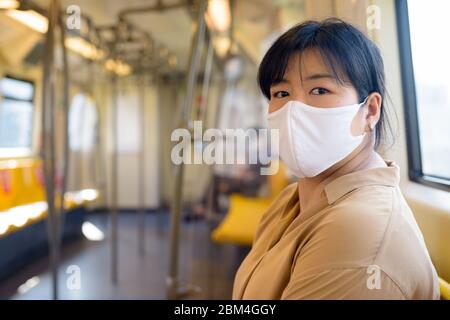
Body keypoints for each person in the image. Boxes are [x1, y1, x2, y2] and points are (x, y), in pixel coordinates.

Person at [233, 18, 440, 300]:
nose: (294, 110)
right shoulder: (290, 200)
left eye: (320, 90)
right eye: (281, 93)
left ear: (369, 110)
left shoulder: (359, 234)